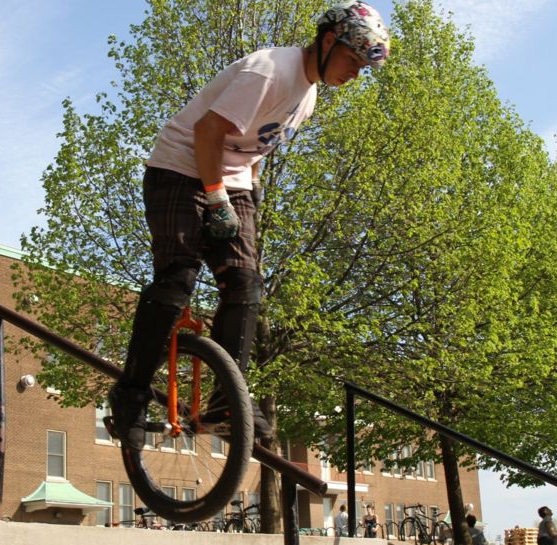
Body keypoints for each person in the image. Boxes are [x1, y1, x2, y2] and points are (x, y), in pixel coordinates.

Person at [107, 2, 391, 451]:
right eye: (352, 62)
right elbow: (206, 132)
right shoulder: (269, 71)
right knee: (178, 277)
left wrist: (248, 193)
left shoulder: (308, 96)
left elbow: (256, 148)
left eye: (362, 68)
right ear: (328, 41)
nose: (354, 75)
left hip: (232, 177)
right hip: (180, 166)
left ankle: (224, 403)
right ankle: (131, 394)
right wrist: (216, 195)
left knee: (245, 284)